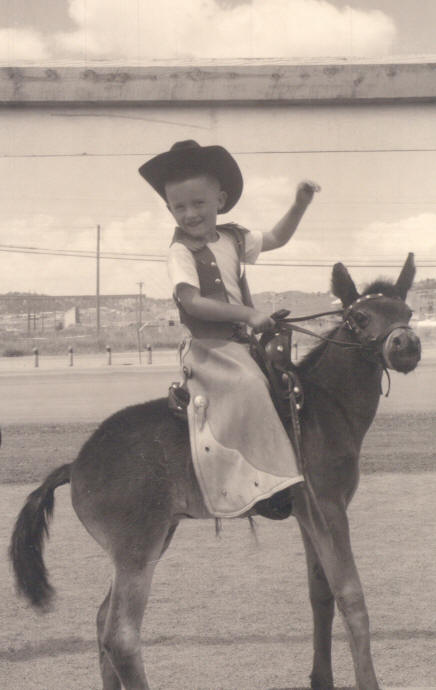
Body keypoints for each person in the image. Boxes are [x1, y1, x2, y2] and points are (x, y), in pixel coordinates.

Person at [138, 140, 320, 518]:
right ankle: (266, 484)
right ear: (170, 208)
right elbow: (191, 301)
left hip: (240, 342)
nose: (189, 214)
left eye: (198, 203)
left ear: (219, 200)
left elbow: (278, 237)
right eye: (179, 206)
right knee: (248, 386)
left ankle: (302, 463)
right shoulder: (181, 252)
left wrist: (300, 203)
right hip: (209, 347)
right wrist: (246, 314)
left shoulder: (234, 238)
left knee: (287, 380)